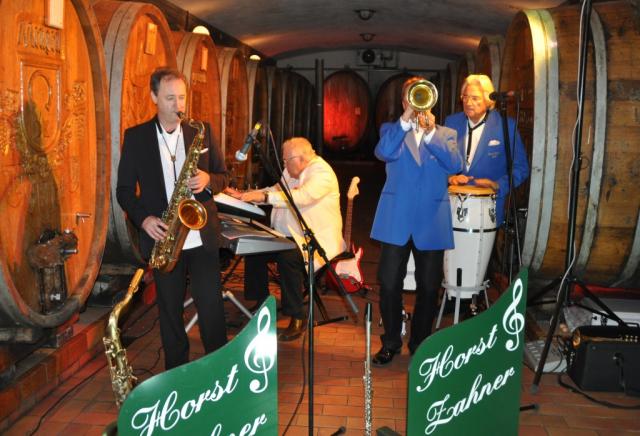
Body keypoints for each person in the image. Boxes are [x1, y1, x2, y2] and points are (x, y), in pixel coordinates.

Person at [116, 67, 228, 370]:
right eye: (169, 98)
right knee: (169, 312)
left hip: (201, 234)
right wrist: (144, 220)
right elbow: (124, 191)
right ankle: (177, 373)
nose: (178, 105)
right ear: (153, 97)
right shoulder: (136, 137)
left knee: (212, 308)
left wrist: (209, 179)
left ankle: (221, 369)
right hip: (164, 237)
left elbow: (224, 175)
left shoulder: (201, 130)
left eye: (181, 97)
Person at [370, 76, 463, 365]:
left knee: (429, 287)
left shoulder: (446, 133)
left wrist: (431, 132)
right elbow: (383, 152)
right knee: (388, 284)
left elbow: (456, 165)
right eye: (412, 97)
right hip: (396, 219)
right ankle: (391, 342)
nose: (418, 102)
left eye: (422, 96)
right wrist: (405, 121)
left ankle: (420, 343)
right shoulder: (391, 130)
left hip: (431, 221)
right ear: (404, 101)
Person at [228, 137, 345, 341]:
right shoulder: (293, 170)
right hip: (290, 236)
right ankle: (263, 302)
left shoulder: (322, 173)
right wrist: (247, 194)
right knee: (254, 246)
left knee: (288, 257)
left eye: (285, 160)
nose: (283, 164)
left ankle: (297, 317)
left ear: (300, 158)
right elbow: (276, 190)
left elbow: (303, 197)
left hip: (315, 240)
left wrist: (263, 198)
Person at [444, 74, 529, 226]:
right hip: (452, 206)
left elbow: (521, 168)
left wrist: (498, 185)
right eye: (465, 97)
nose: (468, 102)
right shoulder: (451, 122)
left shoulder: (505, 126)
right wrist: (449, 177)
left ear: (488, 99)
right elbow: (439, 161)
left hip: (489, 209)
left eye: (475, 98)